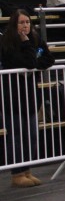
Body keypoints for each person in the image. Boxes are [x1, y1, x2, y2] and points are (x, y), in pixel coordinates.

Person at [2, 10, 55, 188]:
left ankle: (27, 170)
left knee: (31, 135)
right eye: (21, 23)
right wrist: (26, 45)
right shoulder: (7, 42)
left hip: (31, 95)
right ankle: (17, 173)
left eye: (27, 22)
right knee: (17, 136)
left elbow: (49, 59)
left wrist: (33, 64)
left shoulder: (36, 39)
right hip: (13, 96)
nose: (25, 26)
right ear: (14, 25)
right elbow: (27, 62)